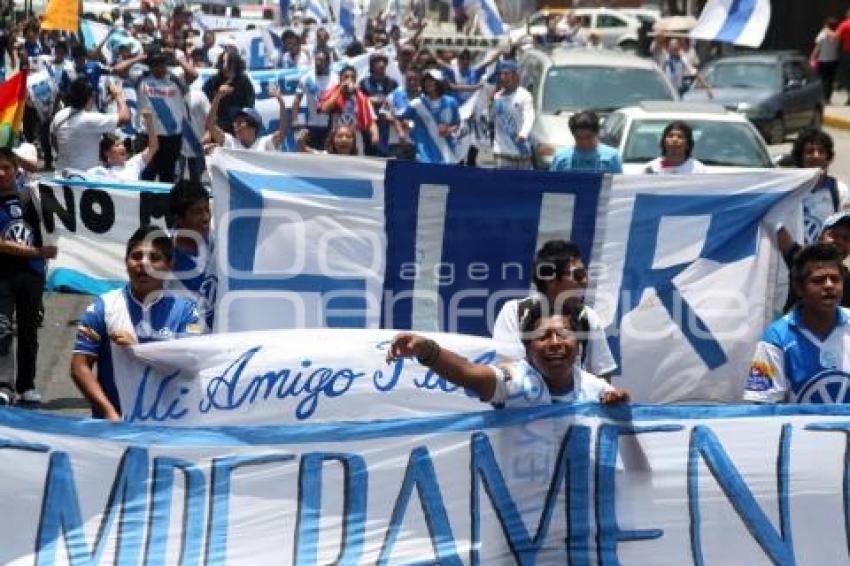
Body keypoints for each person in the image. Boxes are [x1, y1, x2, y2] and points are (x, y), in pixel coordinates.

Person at [71, 226, 203, 421]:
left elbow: (189, 364)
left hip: (169, 424)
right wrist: (108, 412)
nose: (144, 264)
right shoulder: (103, 307)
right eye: (137, 256)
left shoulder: (187, 312)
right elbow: (79, 367)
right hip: (114, 426)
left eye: (154, 258)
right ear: (126, 263)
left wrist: (139, 350)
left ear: (170, 265)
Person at [387, 302, 629, 408]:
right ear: (527, 347)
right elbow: (468, 373)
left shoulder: (596, 389)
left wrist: (620, 406)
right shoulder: (515, 381)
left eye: (563, 334)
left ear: (578, 344)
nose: (555, 344)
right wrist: (427, 350)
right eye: (543, 336)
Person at [492, 239, 617, 378]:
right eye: (578, 275)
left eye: (584, 275)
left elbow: (602, 374)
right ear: (550, 279)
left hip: (575, 400)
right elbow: (508, 369)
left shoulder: (587, 316)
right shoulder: (514, 312)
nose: (585, 281)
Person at [744, 244, 850, 404]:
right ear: (799, 288)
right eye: (818, 280)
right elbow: (763, 405)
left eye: (835, 279)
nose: (829, 285)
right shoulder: (776, 337)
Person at [0, 147, 57, 406]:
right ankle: (4, 385)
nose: (1, 173)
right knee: (2, 328)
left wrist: (13, 151)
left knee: (28, 330)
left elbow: (42, 176)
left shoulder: (30, 195)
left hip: (32, 274)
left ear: (16, 169)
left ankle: (27, 385)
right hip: (3, 275)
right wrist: (37, 251)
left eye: (7, 167)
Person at [135, 48, 197, 182]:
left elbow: (193, 74)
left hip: (171, 138)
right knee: (146, 175)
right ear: (150, 65)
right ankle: (145, 203)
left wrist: (178, 57)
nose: (159, 67)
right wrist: (140, 57)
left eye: (162, 63)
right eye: (155, 64)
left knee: (167, 176)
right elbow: (118, 70)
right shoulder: (141, 77)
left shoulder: (175, 78)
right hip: (147, 136)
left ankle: (165, 203)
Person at [51, 78, 130, 173]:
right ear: (89, 98)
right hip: (84, 179)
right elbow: (125, 118)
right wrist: (119, 95)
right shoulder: (90, 119)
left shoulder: (60, 115)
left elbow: (53, 139)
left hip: (61, 173)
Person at [168, 180, 216, 331]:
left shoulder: (215, 242)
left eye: (207, 210)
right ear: (179, 219)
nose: (205, 218)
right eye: (197, 212)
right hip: (183, 335)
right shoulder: (163, 255)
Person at [779, 211, 850, 310]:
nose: (840, 241)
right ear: (820, 236)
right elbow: (778, 228)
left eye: (846, 238)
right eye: (834, 235)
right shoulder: (802, 260)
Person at [789, 128, 847, 244]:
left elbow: (845, 232)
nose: (816, 156)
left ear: (829, 157)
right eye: (810, 151)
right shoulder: (788, 189)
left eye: (821, 151)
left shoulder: (839, 191)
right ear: (800, 157)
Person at [396, 68, 461, 164]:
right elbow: (398, 117)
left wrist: (449, 130)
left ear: (439, 83)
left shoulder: (451, 102)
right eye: (426, 80)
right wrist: (405, 128)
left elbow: (457, 124)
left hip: (447, 154)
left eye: (432, 80)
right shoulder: (417, 104)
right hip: (424, 156)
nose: (428, 83)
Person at [207, 83, 288, 151]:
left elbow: (282, 131)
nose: (235, 126)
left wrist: (281, 101)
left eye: (239, 122)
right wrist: (218, 96)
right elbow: (210, 125)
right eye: (235, 122)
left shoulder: (265, 143)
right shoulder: (230, 142)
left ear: (252, 126)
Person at [319, 65, 379, 154]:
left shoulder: (362, 98)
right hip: (336, 137)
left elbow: (371, 120)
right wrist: (340, 91)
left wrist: (375, 134)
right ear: (340, 79)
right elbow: (324, 108)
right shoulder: (333, 94)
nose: (349, 79)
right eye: (346, 77)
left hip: (355, 137)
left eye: (352, 77)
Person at [88, 109, 159, 181]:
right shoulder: (99, 172)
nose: (123, 148)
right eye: (117, 145)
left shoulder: (134, 163)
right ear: (107, 153)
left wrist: (149, 121)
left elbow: (153, 147)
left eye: (123, 145)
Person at [491, 61, 534, 170]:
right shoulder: (497, 97)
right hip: (502, 151)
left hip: (521, 150)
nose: (503, 77)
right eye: (501, 74)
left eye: (506, 74)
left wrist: (523, 133)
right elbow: (492, 118)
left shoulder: (524, 95)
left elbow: (529, 116)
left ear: (515, 76)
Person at [550, 111, 622, 173]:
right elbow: (552, 185)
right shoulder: (561, 158)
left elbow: (618, 186)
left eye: (589, 137)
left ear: (597, 133)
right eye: (579, 138)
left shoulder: (611, 157)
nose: (584, 142)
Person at [292, 49, 336, 150]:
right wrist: (295, 120)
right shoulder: (307, 78)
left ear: (328, 62)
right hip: (312, 125)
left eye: (322, 60)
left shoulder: (335, 78)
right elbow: (297, 100)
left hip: (330, 125)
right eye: (317, 60)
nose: (318, 63)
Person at [202, 51, 255, 133]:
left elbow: (249, 106)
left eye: (229, 62)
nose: (225, 66)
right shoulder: (213, 81)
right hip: (217, 126)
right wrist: (218, 95)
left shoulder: (244, 82)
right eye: (223, 62)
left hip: (237, 127)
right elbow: (204, 99)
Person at [359, 52, 398, 156]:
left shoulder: (392, 83)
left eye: (383, 62)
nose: (381, 64)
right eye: (378, 62)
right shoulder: (364, 83)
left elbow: (396, 101)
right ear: (372, 65)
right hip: (370, 123)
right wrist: (369, 100)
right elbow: (359, 101)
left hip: (387, 124)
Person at [812, 17, 840, 103]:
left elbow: (817, 48)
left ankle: (823, 98)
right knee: (831, 80)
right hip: (834, 60)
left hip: (823, 60)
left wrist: (813, 56)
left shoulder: (822, 34)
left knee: (823, 80)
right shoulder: (837, 35)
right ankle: (828, 98)